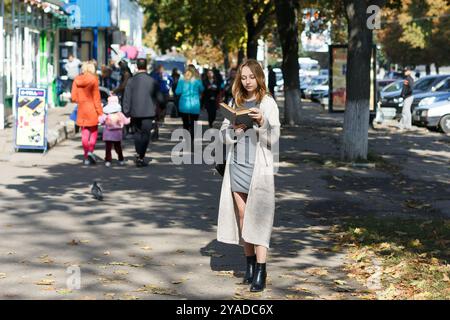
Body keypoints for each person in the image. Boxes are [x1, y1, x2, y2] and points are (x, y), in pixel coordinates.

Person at [217, 59, 280, 293]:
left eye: (251, 77)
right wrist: (234, 130)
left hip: (258, 168)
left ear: (259, 77)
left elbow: (274, 138)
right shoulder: (237, 101)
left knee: (259, 217)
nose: (247, 81)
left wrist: (262, 122)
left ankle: (261, 270)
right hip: (237, 165)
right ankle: (250, 265)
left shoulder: (268, 102)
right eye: (243, 77)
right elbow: (224, 134)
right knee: (243, 216)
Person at [123, 58, 162, 167]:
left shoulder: (131, 80)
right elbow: (159, 97)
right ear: (145, 66)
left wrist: (126, 111)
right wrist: (161, 108)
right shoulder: (152, 80)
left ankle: (139, 153)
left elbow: (127, 97)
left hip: (135, 112)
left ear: (137, 67)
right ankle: (141, 155)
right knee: (145, 134)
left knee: (137, 133)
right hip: (148, 112)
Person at [71, 62, 103, 165]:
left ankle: (85, 157)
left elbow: (73, 97)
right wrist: (100, 113)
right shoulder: (94, 80)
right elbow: (96, 98)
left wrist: (81, 100)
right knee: (93, 132)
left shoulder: (77, 80)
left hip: (82, 109)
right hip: (92, 109)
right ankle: (90, 151)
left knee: (84, 133)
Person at [175, 65, 204, 148]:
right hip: (195, 105)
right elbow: (202, 89)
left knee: (185, 124)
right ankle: (192, 141)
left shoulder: (182, 80)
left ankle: (187, 142)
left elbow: (177, 92)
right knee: (194, 125)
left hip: (184, 105)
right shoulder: (197, 80)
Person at [98, 96, 130, 167]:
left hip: (108, 135)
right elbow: (126, 121)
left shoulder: (106, 114)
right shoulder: (119, 114)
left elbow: (100, 120)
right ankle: (121, 159)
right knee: (118, 147)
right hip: (117, 135)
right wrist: (130, 118)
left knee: (108, 148)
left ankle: (108, 160)